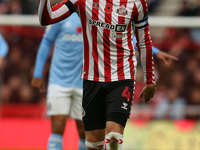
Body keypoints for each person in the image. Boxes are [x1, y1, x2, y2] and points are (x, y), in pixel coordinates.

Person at [37, 0, 164, 149]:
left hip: (122, 77)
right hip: (92, 78)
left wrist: (150, 80)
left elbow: (143, 41)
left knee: (114, 138)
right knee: (93, 144)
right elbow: (47, 18)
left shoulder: (136, 3)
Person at [31, 13, 86, 150]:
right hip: (59, 81)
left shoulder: (94, 14)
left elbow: (127, 38)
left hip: (85, 83)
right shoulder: (59, 15)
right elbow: (46, 41)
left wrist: (146, 49)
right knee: (57, 127)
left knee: (85, 131)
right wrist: (38, 74)